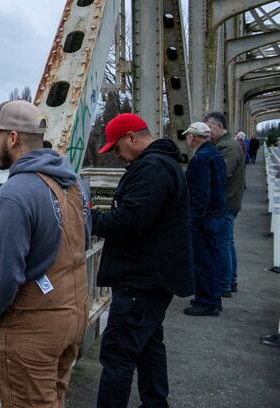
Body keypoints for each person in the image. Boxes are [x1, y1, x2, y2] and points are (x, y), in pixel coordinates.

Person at [0, 100, 92, 408]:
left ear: (12, 138)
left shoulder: (15, 193)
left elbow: (3, 272)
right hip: (73, 315)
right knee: (53, 400)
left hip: (32, 329)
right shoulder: (74, 182)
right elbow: (85, 240)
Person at [92, 113, 194, 407]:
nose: (116, 154)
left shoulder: (151, 168)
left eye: (116, 146)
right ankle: (155, 403)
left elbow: (130, 221)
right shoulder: (163, 164)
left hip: (141, 279)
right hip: (155, 276)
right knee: (149, 344)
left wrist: (92, 219)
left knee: (117, 353)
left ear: (133, 137)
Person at [182, 122, 228, 316]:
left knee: (203, 260)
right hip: (216, 214)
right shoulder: (215, 154)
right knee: (211, 257)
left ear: (193, 137)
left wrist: (194, 219)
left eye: (188, 137)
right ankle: (211, 297)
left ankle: (207, 301)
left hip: (205, 218)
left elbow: (201, 193)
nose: (187, 140)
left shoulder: (201, 158)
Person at [203, 112, 245, 295]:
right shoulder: (226, 145)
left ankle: (223, 284)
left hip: (226, 202)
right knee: (227, 243)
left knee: (222, 244)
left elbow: (220, 174)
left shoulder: (228, 147)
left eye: (209, 127)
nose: (207, 131)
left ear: (219, 126)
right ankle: (230, 280)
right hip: (229, 200)